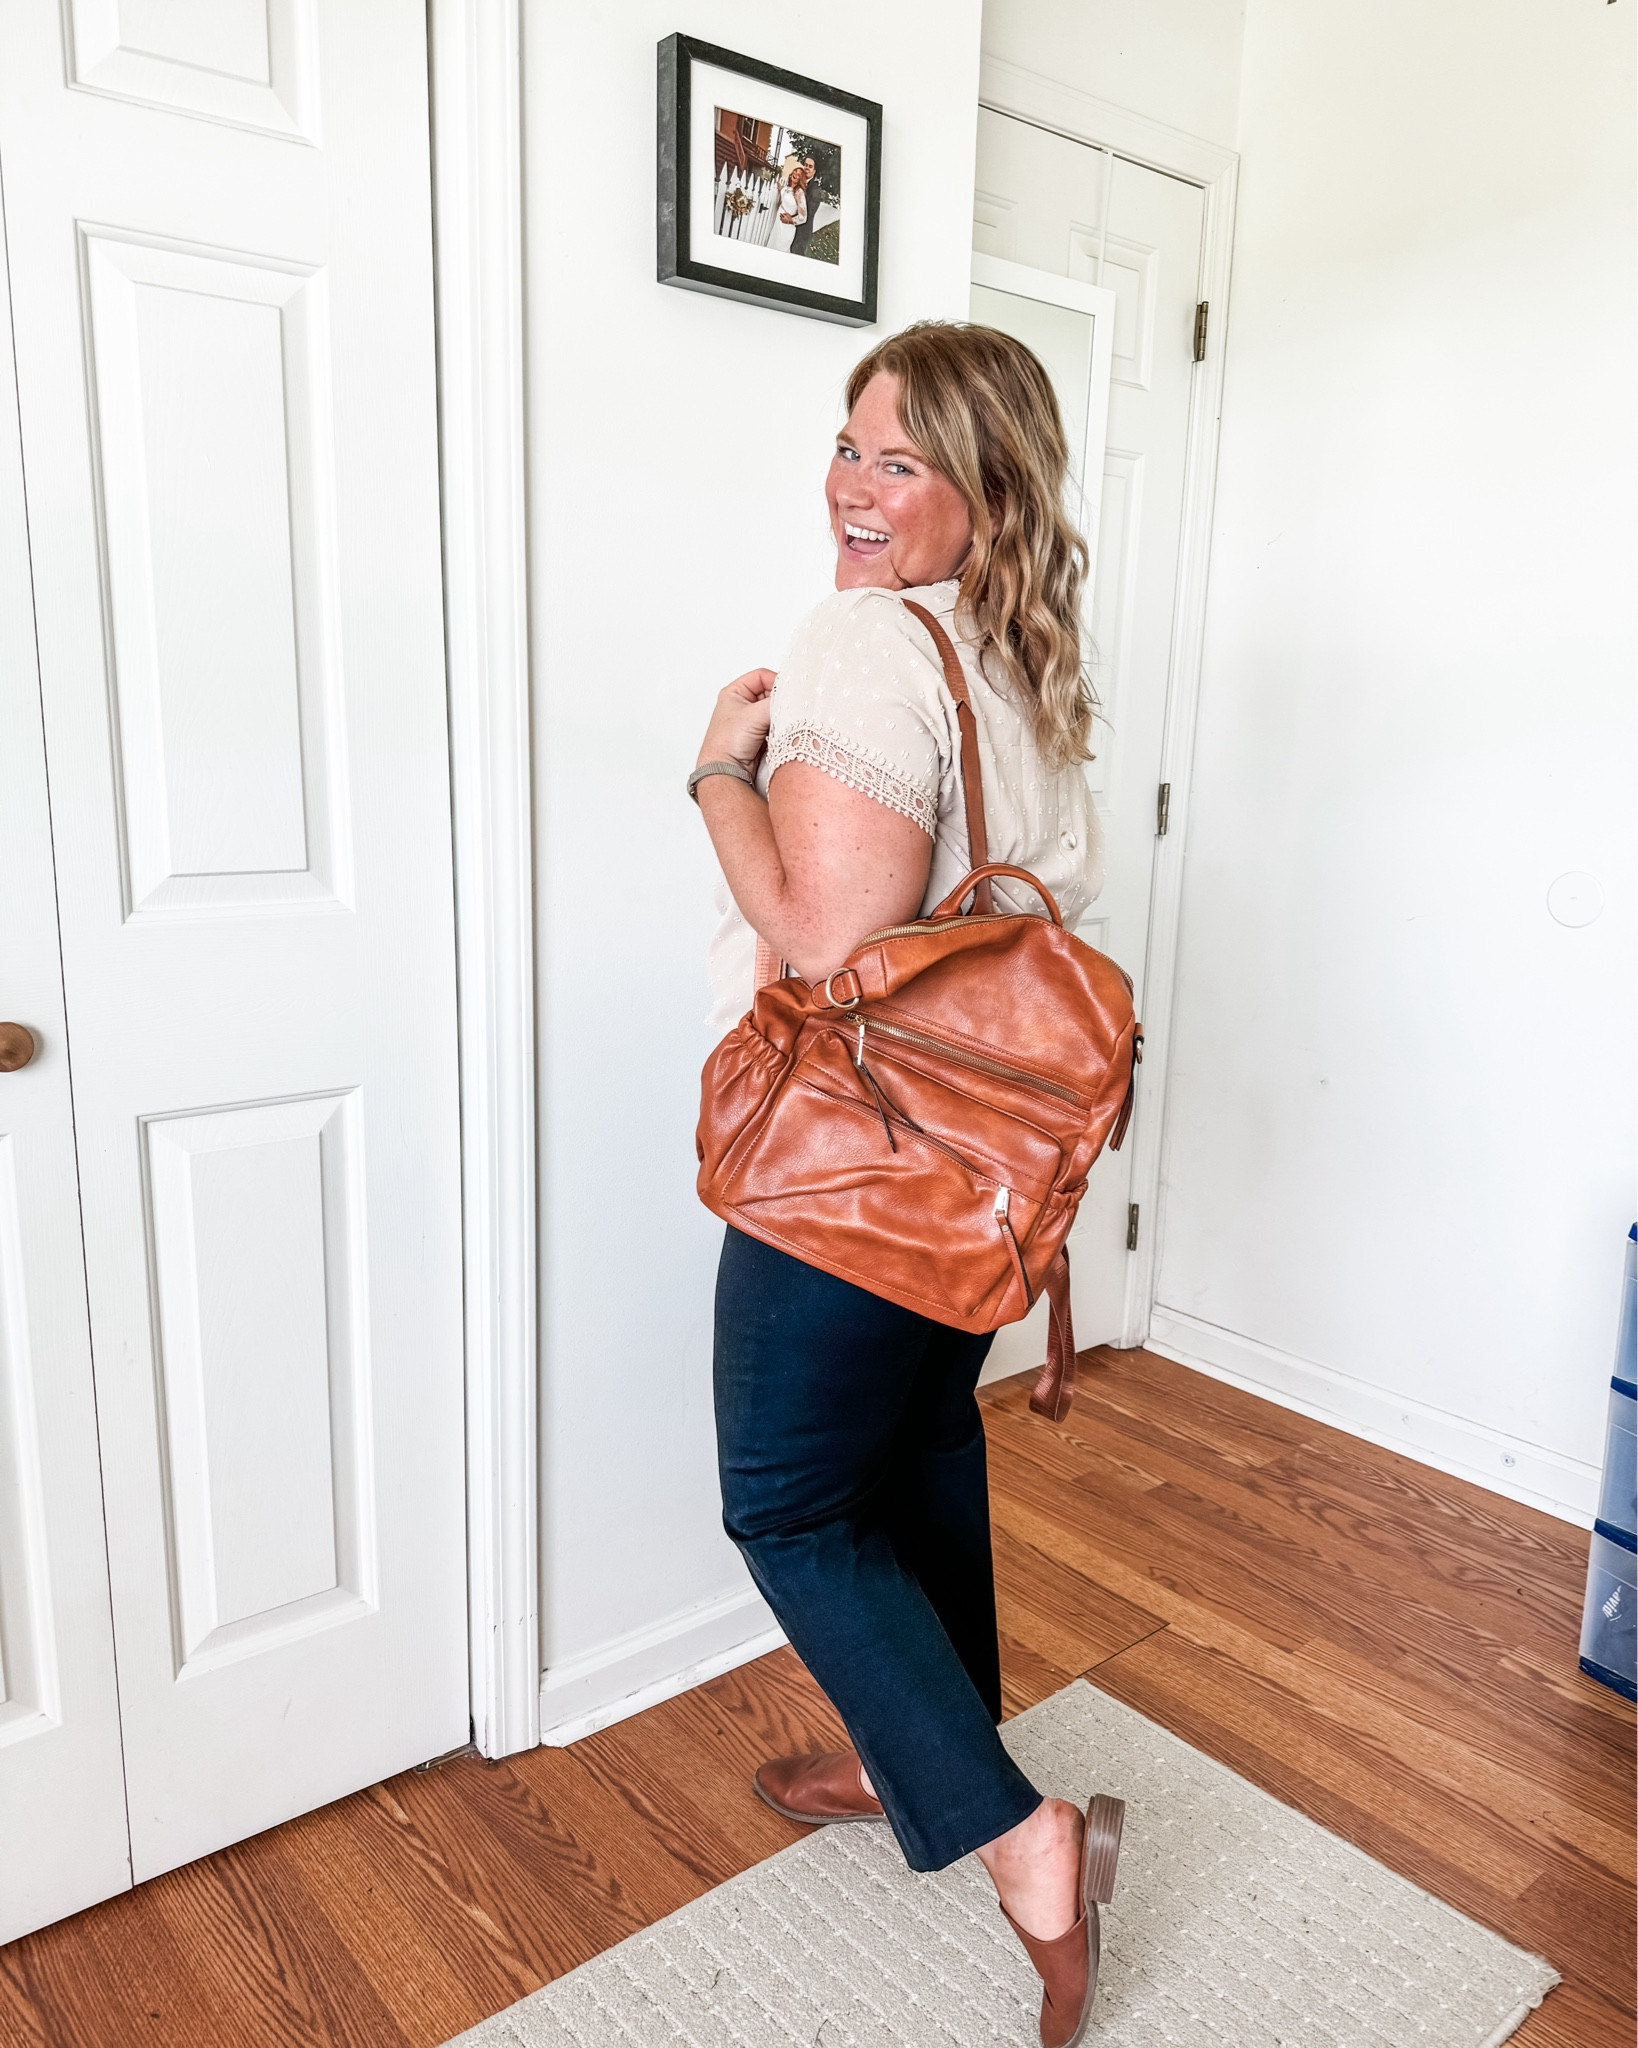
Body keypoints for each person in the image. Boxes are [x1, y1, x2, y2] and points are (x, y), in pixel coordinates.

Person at [689, 322, 1119, 2048]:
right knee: (921, 1448)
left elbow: (819, 935)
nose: (850, 490)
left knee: (789, 1503)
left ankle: (1022, 1839)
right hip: (979, 1168)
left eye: (899, 462)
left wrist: (718, 770)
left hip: (852, 1174)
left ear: (981, 489)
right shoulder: (1017, 652)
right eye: (846, 446)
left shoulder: (865, 644)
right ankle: (917, 1754)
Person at [769, 155, 808, 254]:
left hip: (786, 227)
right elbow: (782, 190)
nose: (796, 174)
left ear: (801, 179)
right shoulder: (787, 188)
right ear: (791, 174)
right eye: (795, 172)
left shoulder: (799, 192)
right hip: (778, 224)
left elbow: (803, 217)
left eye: (799, 175)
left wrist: (790, 220)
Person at [789, 155, 819, 257]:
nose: (806, 168)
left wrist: (790, 219)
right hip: (791, 229)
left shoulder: (815, 191)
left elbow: (808, 215)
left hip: (801, 233)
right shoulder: (800, 182)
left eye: (810, 166)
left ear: (814, 171)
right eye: (805, 165)